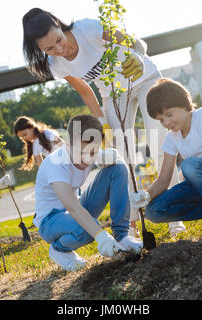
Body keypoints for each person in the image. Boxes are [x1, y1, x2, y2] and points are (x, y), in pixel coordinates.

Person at [21, 8, 185, 237]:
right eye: (49, 48)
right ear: (40, 50)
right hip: (114, 96)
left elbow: (136, 43)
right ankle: (131, 224)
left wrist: (137, 56)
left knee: (160, 146)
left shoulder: (87, 29)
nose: (59, 49)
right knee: (120, 157)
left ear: (59, 25)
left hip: (144, 78)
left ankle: (175, 216)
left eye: (58, 40)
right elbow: (85, 90)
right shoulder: (57, 64)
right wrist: (101, 121)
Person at [129, 78, 202, 239]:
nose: (166, 122)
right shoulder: (172, 138)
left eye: (169, 114)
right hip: (201, 189)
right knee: (154, 211)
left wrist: (190, 173)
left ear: (183, 104)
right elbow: (164, 180)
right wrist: (146, 196)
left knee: (189, 165)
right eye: (161, 119)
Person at [33, 114, 142, 271]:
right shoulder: (55, 164)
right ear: (68, 144)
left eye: (92, 153)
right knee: (88, 230)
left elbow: (114, 165)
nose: (87, 159)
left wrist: (114, 157)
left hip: (75, 210)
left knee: (118, 168)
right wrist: (102, 238)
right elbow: (73, 208)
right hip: (50, 222)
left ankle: (122, 237)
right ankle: (58, 249)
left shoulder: (89, 150)